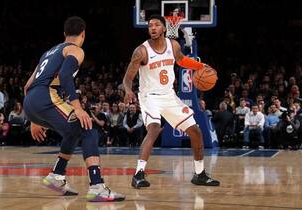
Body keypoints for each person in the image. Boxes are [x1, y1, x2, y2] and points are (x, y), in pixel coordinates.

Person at [23, 16, 125, 201]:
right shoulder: (75, 50)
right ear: (83, 34)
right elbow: (64, 75)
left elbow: (26, 86)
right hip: (47, 96)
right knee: (88, 130)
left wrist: (33, 119)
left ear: (64, 34)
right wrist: (77, 107)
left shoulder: (48, 53)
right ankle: (97, 186)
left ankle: (57, 175)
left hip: (31, 101)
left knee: (74, 132)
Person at [123, 14, 220, 189]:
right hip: (149, 96)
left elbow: (182, 60)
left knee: (196, 131)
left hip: (169, 96)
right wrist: (128, 90)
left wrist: (200, 66)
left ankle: (200, 174)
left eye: (156, 25)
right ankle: (138, 174)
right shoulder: (141, 51)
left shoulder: (173, 45)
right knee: (153, 129)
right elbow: (128, 77)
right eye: (150, 25)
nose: (152, 28)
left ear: (164, 28)